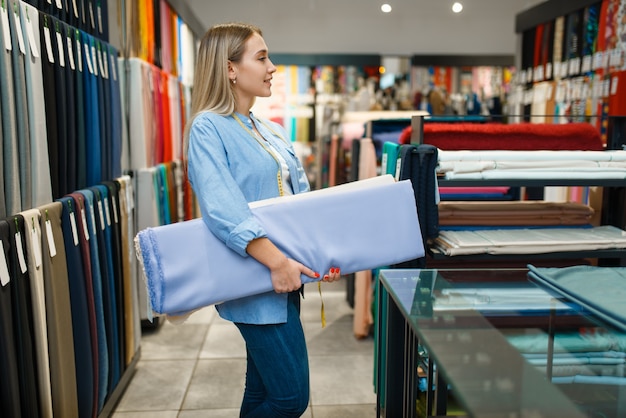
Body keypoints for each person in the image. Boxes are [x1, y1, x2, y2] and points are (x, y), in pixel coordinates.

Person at [183, 22, 341, 417]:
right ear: (230, 69)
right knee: (290, 398)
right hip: (257, 281)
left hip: (285, 279)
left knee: (262, 390)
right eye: (262, 57)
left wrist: (321, 254)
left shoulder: (269, 129)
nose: (272, 67)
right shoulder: (207, 128)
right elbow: (223, 208)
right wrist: (277, 261)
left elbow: (299, 201)